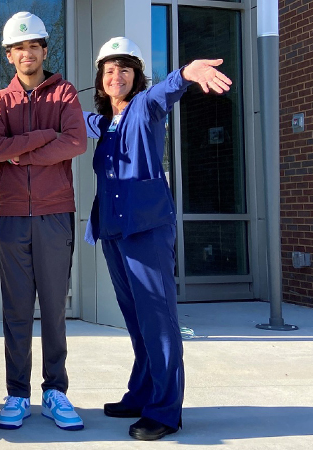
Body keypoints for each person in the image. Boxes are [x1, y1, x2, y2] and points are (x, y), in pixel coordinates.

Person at [83, 37, 231, 441]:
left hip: (146, 229)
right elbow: (64, 119)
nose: (117, 76)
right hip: (113, 231)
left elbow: (167, 91)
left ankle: (165, 411)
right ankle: (142, 393)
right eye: (109, 70)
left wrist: (186, 73)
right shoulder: (100, 123)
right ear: (100, 81)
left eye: (125, 68)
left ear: (136, 76)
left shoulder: (145, 107)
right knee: (135, 320)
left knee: (158, 320)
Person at [0, 12, 86, 432]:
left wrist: (20, 152)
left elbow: (76, 141)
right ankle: (17, 393)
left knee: (55, 310)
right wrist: (45, 138)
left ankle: (56, 391)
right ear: (9, 55)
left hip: (55, 214)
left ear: (44, 50)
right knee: (17, 309)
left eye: (33, 46)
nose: (26, 54)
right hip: (12, 217)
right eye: (18, 48)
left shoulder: (63, 94)